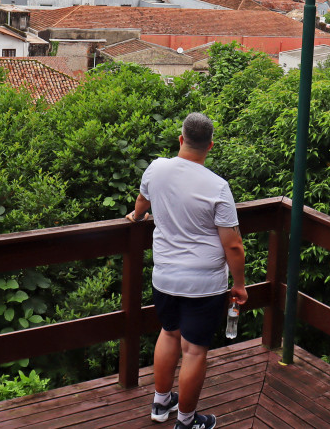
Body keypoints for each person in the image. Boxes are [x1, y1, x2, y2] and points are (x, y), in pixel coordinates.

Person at [126, 112, 247, 429]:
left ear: (181, 140)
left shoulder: (157, 169)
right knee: (193, 351)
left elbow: (142, 203)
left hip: (165, 276)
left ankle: (161, 404)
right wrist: (240, 284)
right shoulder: (217, 187)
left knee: (168, 333)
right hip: (203, 284)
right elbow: (233, 244)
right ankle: (186, 421)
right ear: (209, 146)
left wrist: (137, 217)